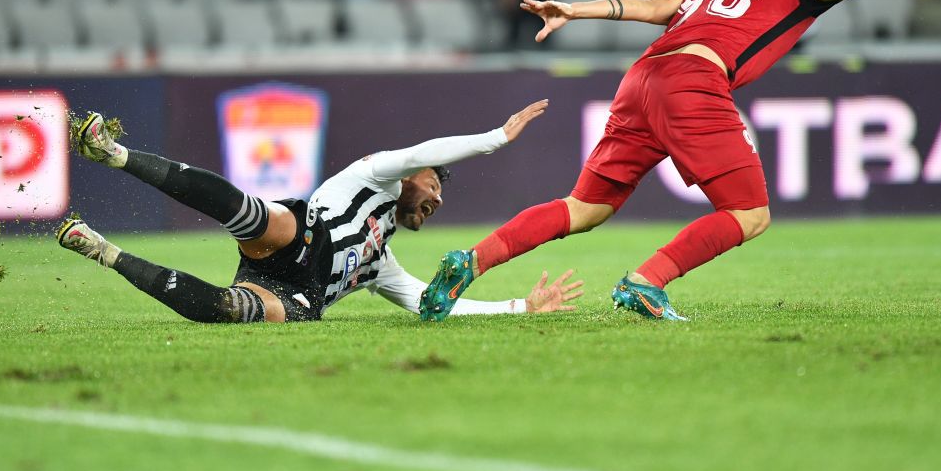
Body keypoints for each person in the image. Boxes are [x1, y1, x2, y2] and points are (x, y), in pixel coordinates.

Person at [417, 0, 941, 322]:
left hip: (642, 79)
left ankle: (470, 260)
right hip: (694, 83)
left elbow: (648, 7)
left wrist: (574, 11)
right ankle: (646, 281)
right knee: (751, 213)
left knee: (584, 207)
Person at [57, 102, 582, 324]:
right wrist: (493, 139)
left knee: (227, 310)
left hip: (295, 295)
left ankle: (102, 250)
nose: (438, 198)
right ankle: (112, 153)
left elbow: (432, 303)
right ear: (413, 177)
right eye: (435, 185)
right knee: (262, 218)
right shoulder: (374, 173)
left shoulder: (382, 264)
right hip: (302, 237)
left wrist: (519, 309)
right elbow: (424, 152)